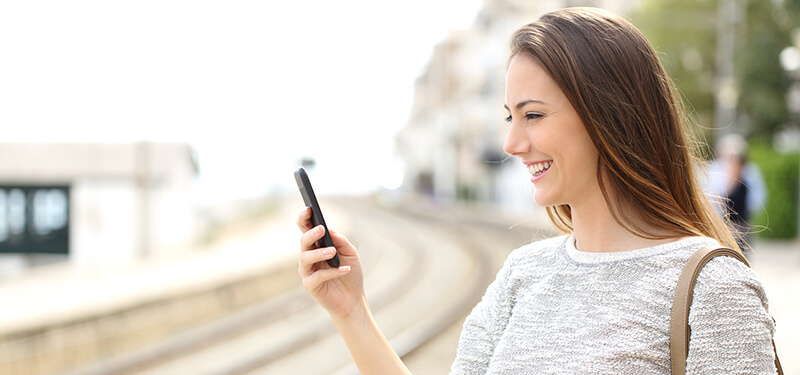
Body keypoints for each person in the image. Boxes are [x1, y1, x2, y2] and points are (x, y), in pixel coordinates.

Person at [296, 7, 779, 374]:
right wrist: (353, 311)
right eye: (510, 117)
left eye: (533, 115)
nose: (512, 142)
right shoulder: (522, 275)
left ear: (607, 115)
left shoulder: (715, 291)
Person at [705, 133, 767, 255]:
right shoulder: (714, 172)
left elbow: (758, 197)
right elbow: (710, 197)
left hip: (742, 225)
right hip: (721, 225)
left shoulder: (750, 172)